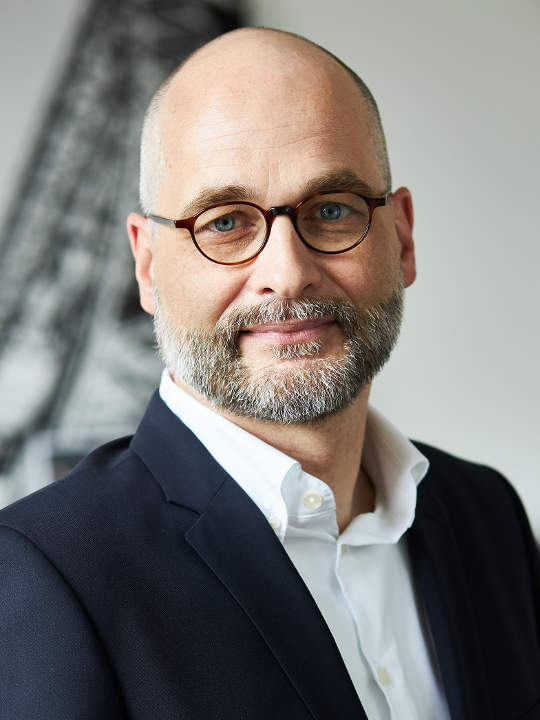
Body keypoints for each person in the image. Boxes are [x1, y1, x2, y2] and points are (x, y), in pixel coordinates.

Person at [1, 27, 539, 720]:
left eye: (333, 210)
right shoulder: (43, 576)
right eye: (225, 223)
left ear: (402, 238)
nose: (286, 274)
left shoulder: (487, 515)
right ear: (148, 265)